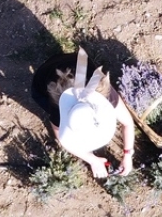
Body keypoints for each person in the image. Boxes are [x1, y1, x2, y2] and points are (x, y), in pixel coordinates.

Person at [31, 48, 136, 179]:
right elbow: (61, 137)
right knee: (40, 95)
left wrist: (127, 155)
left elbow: (128, 123)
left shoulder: (105, 94)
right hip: (45, 75)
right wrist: (92, 160)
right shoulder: (58, 105)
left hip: (71, 61)